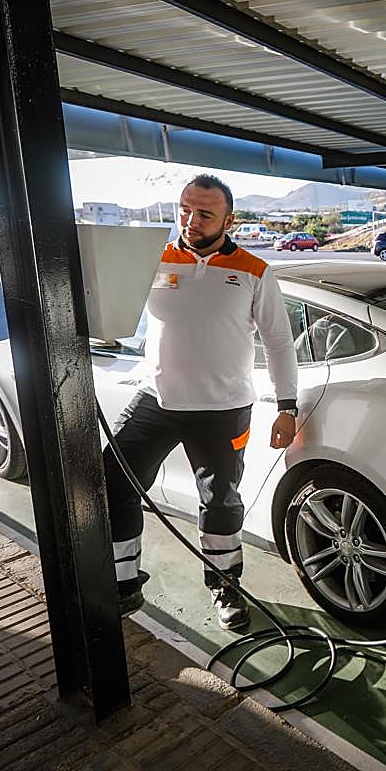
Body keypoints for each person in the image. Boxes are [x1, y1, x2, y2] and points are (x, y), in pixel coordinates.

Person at [106, 174, 298, 631]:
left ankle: (224, 585)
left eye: (205, 214)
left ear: (229, 221)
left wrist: (287, 407)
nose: (191, 221)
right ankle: (122, 583)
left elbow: (278, 342)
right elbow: (108, 306)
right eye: (185, 210)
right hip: (157, 400)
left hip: (223, 409)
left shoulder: (254, 270)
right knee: (112, 482)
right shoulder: (153, 260)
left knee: (221, 502)